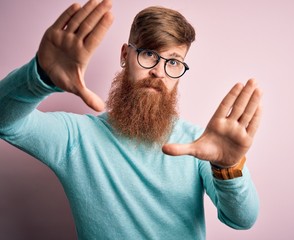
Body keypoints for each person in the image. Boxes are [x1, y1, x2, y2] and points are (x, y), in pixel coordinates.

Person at [0, 0, 263, 239]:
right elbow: (6, 122)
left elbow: (242, 220)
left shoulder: (200, 145)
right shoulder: (77, 137)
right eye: (149, 53)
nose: (159, 72)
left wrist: (228, 167)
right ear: (125, 55)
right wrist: (40, 78)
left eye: (174, 62)